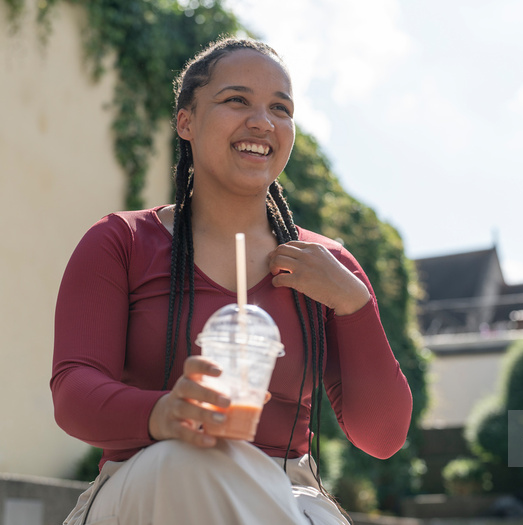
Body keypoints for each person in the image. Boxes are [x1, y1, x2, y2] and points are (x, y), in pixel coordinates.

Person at [51, 37, 413, 525]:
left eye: (280, 108)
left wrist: (354, 304)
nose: (262, 121)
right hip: (148, 480)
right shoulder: (121, 242)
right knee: (192, 460)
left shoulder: (327, 266)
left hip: (290, 494)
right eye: (236, 100)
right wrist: (164, 415)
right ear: (187, 121)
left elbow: (383, 435)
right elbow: (74, 392)